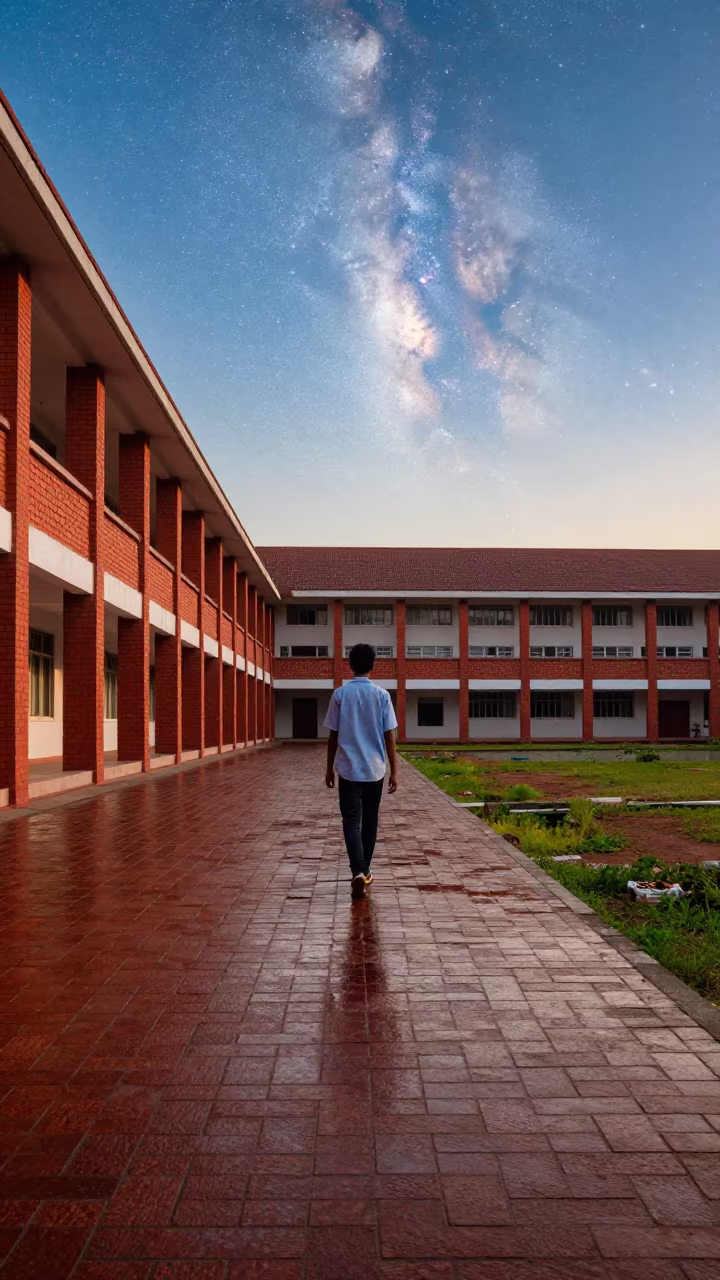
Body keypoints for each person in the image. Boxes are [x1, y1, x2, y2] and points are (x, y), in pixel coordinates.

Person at [324, 642, 398, 899]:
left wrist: (329, 768)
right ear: (373, 665)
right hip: (375, 770)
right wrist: (394, 771)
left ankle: (359, 870)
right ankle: (364, 871)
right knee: (370, 820)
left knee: (350, 820)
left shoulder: (340, 695)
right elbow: (390, 736)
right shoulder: (382, 695)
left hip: (348, 769)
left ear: (350, 665)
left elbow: (333, 735)